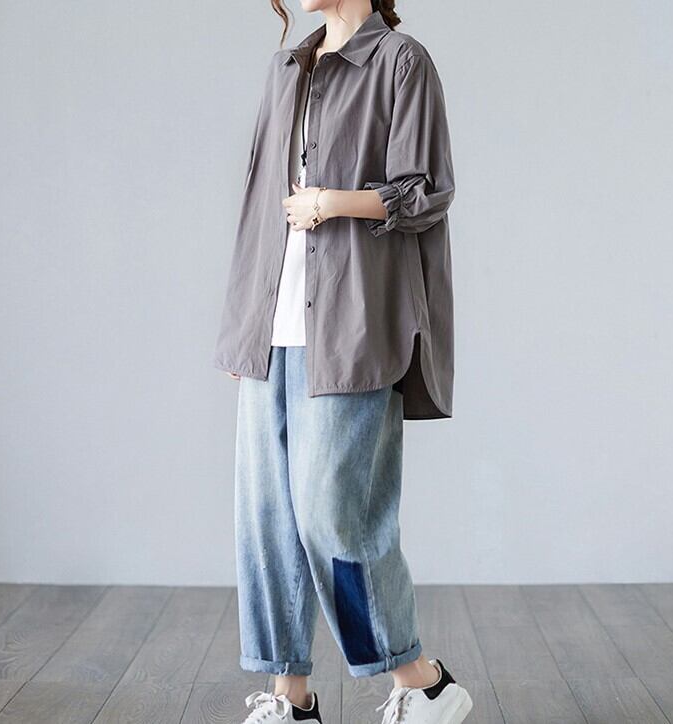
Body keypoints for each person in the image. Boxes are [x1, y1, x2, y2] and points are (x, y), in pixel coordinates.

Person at [213, 1, 470, 722]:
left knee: (334, 514)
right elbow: (258, 204)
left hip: (354, 323)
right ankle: (290, 699)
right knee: (267, 519)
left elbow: (425, 191)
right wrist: (243, 323)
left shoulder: (401, 62)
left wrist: (329, 202)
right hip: (272, 327)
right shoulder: (286, 69)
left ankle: (422, 681)